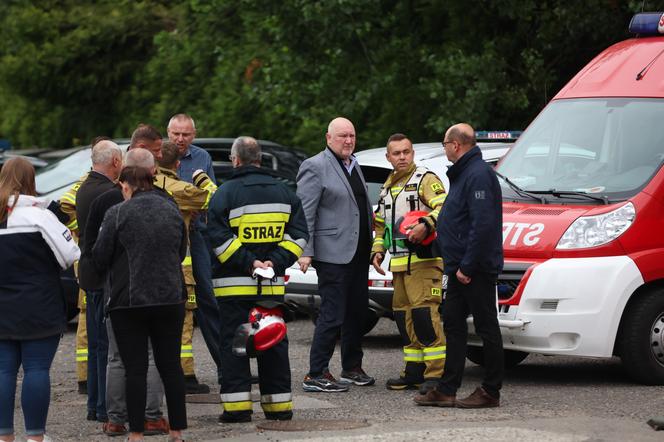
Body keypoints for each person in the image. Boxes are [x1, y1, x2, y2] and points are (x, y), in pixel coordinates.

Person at [207, 136, 308, 423]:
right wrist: (273, 262)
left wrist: (249, 262)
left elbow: (217, 237)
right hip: (271, 287)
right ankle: (279, 409)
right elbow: (299, 236)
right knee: (273, 344)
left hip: (233, 288)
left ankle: (237, 410)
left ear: (235, 159)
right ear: (260, 159)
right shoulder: (285, 193)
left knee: (236, 345)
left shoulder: (224, 193)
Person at [91, 165, 188, 442]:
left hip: (128, 302)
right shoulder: (171, 209)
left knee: (135, 368)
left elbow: (100, 255)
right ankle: (177, 431)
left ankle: (135, 434)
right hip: (170, 298)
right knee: (171, 366)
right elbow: (181, 251)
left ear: (125, 186)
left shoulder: (117, 213)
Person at [81, 142, 170, 436]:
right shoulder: (166, 201)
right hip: (159, 292)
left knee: (117, 357)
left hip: (119, 292)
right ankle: (152, 417)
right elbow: (179, 247)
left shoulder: (105, 202)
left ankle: (116, 419)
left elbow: (94, 250)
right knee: (153, 355)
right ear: (151, 171)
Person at [414, 123, 504, 408]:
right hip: (457, 269)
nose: (444, 149)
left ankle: (490, 391)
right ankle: (447, 388)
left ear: (456, 145)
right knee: (452, 323)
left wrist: (467, 266)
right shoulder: (464, 174)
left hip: (472, 269)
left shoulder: (478, 175)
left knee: (486, 327)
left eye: (444, 144)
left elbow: (483, 225)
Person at [0, 157, 80, 442]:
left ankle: (4, 436)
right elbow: (70, 255)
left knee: (4, 371)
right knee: (36, 370)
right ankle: (35, 438)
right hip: (39, 305)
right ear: (30, 181)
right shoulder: (40, 216)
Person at [297, 117, 375, 392]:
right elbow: (304, 211)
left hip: (358, 254)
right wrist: (305, 251)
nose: (348, 141)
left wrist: (374, 247)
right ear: (328, 138)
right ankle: (316, 373)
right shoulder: (315, 166)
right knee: (333, 314)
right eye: (342, 136)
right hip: (332, 255)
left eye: (352, 136)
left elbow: (361, 209)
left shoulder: (353, 165)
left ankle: (351, 367)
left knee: (357, 313)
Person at [371, 133, 447, 392]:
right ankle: (414, 371)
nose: (402, 157)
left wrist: (426, 224)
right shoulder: (386, 188)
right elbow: (380, 227)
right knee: (405, 318)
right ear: (388, 157)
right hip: (399, 265)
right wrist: (377, 251)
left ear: (412, 153)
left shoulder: (425, 179)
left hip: (425, 262)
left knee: (425, 315)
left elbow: (444, 206)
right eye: (396, 153)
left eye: (406, 152)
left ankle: (435, 375)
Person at [154, 140, 217, 394]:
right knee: (183, 322)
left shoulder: (143, 184)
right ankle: (185, 375)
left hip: (150, 266)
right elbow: (216, 200)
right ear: (178, 164)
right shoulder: (184, 190)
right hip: (182, 266)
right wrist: (202, 179)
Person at [167, 113, 222, 390]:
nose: (180, 139)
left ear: (194, 134)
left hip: (196, 237)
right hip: (165, 240)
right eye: (175, 134)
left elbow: (213, 199)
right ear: (168, 134)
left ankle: (227, 367)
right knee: (174, 303)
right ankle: (176, 372)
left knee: (208, 300)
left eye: (185, 134)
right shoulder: (158, 157)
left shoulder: (202, 158)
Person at [75, 140, 123, 424]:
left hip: (89, 276)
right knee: (107, 347)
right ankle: (105, 407)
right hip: (103, 278)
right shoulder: (110, 194)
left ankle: (95, 405)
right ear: (116, 162)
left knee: (96, 346)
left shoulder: (85, 187)